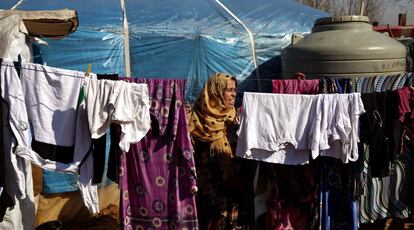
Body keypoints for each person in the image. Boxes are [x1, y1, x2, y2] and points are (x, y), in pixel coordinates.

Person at [190, 73, 251, 229]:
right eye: (229, 90)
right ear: (215, 91)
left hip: (234, 196)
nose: (233, 94)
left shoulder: (235, 118)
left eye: (234, 90)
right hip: (207, 196)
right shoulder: (195, 120)